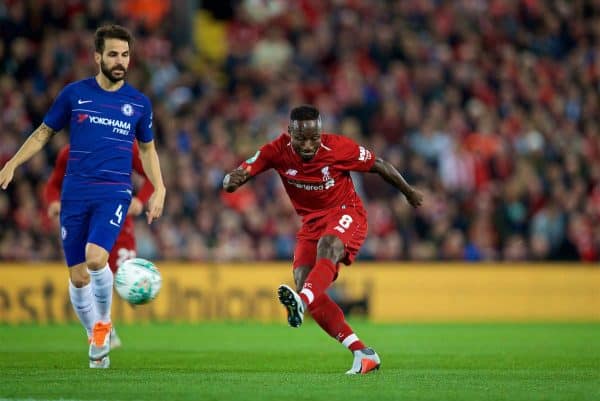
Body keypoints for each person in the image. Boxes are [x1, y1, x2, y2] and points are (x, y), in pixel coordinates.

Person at [0, 25, 166, 369]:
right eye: (113, 54)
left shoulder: (138, 103)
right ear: (97, 57)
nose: (120, 61)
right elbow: (44, 133)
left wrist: (159, 188)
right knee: (77, 277)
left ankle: (103, 324)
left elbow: (148, 151)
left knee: (95, 258)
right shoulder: (75, 95)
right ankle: (95, 336)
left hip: (114, 192)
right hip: (75, 194)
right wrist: (14, 162)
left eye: (125, 55)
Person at [223, 105, 423, 374]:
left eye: (314, 138)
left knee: (327, 249)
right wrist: (232, 180)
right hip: (311, 223)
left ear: (321, 133)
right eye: (301, 139)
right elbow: (243, 170)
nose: (308, 145)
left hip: (346, 212)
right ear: (289, 134)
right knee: (304, 280)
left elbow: (380, 166)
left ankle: (301, 301)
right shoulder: (276, 150)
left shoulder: (338, 147)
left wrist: (408, 192)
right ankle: (363, 353)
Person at [44, 142, 155, 349]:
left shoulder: (124, 146)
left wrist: (140, 200)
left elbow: (151, 175)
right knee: (90, 273)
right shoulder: (69, 152)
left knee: (126, 282)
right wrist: (53, 202)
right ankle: (104, 329)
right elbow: (53, 185)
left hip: (119, 223)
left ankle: (107, 322)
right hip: (85, 223)